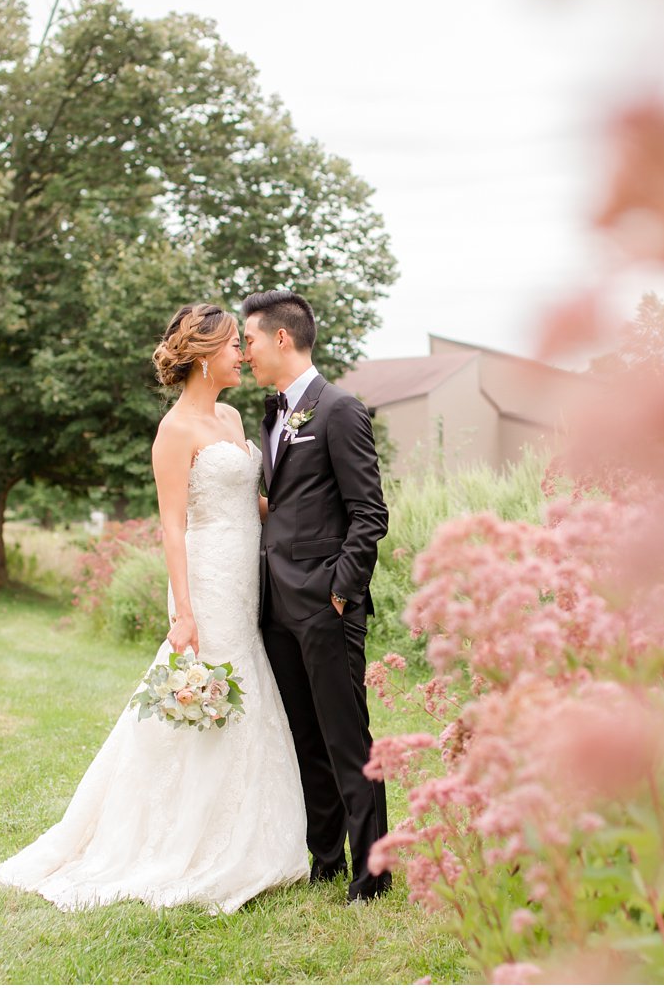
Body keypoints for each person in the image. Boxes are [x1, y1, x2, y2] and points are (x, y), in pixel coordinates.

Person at [0, 303, 308, 913]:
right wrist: (182, 611)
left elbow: (252, 500)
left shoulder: (234, 414)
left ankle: (252, 826)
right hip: (205, 579)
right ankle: (177, 836)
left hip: (247, 576)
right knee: (206, 690)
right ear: (205, 355)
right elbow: (172, 524)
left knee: (248, 687)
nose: (243, 353)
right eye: (233, 345)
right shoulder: (175, 431)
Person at [242, 289, 392, 903]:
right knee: (304, 738)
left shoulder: (339, 410)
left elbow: (369, 513)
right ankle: (325, 859)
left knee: (345, 740)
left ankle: (373, 874)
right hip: (276, 606)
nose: (243, 351)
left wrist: (340, 591)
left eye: (248, 339)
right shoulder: (273, 415)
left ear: (282, 338)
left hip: (327, 606)